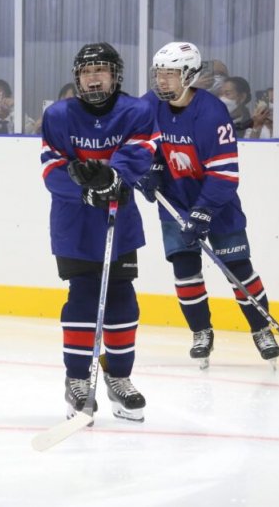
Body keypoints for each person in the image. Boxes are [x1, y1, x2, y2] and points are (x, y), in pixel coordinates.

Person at [141, 41, 279, 366]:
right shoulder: (151, 105)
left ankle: (262, 329)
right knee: (185, 271)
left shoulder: (211, 113)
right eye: (159, 73)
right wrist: (149, 169)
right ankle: (201, 332)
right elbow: (141, 141)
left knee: (239, 270)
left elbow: (225, 173)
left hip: (218, 206)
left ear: (189, 75)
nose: (162, 81)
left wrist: (203, 212)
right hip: (175, 203)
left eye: (171, 74)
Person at [40, 42, 158, 422]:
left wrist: (114, 175)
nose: (93, 78)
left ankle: (119, 379)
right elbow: (51, 169)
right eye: (87, 72)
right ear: (77, 77)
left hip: (118, 222)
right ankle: (77, 379)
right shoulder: (58, 115)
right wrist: (85, 189)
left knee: (122, 299)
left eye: (101, 70)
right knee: (84, 297)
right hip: (74, 225)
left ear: (115, 75)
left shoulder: (136, 111)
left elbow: (141, 151)